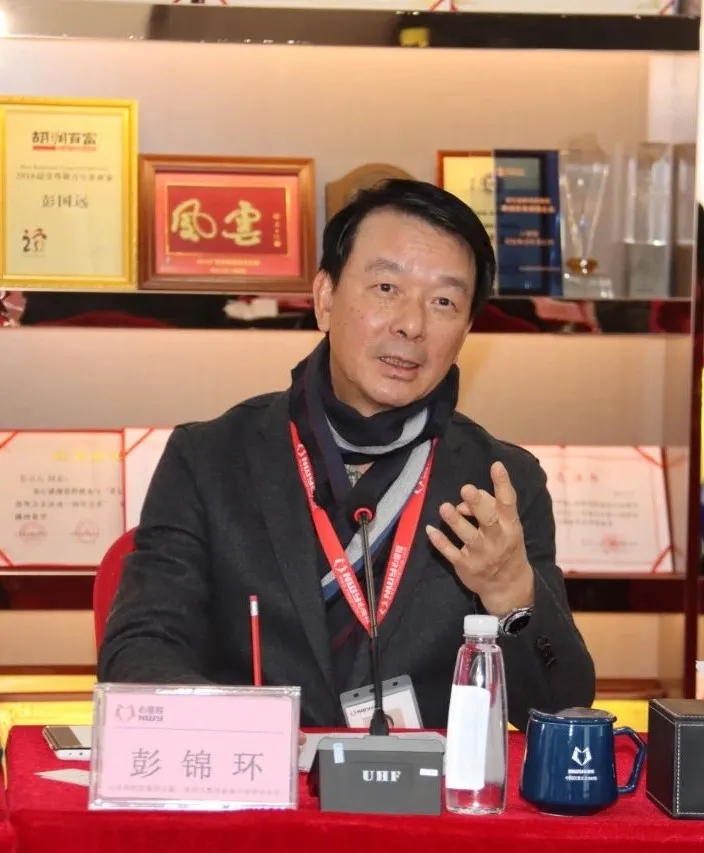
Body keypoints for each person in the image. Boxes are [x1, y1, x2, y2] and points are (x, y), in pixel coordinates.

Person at [98, 179, 596, 731]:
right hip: (259, 776)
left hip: (427, 787)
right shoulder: (208, 460)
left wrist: (511, 595)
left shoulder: (500, 483)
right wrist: (244, 737)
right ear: (325, 298)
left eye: (444, 302)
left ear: (466, 329)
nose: (412, 324)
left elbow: (561, 708)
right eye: (386, 287)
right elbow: (141, 650)